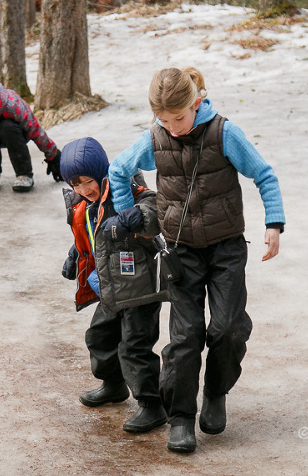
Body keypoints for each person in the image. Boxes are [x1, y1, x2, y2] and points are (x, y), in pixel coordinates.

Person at [108, 67, 285, 453]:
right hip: (180, 253)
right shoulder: (154, 137)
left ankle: (216, 392)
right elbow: (118, 170)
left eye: (179, 118)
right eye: (164, 120)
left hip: (226, 249)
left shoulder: (224, 132)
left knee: (227, 329)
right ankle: (181, 417)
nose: (172, 127)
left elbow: (264, 174)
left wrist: (274, 223)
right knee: (185, 337)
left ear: (197, 102)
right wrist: (131, 218)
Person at [60, 137, 169, 434]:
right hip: (109, 288)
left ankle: (151, 404)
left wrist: (139, 215)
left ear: (100, 171)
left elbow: (155, 206)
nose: (83, 190)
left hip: (139, 287)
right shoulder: (85, 205)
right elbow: (92, 239)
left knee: (135, 346)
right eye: (76, 185)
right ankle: (113, 384)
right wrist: (75, 255)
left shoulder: (125, 191)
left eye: (87, 182)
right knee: (99, 337)